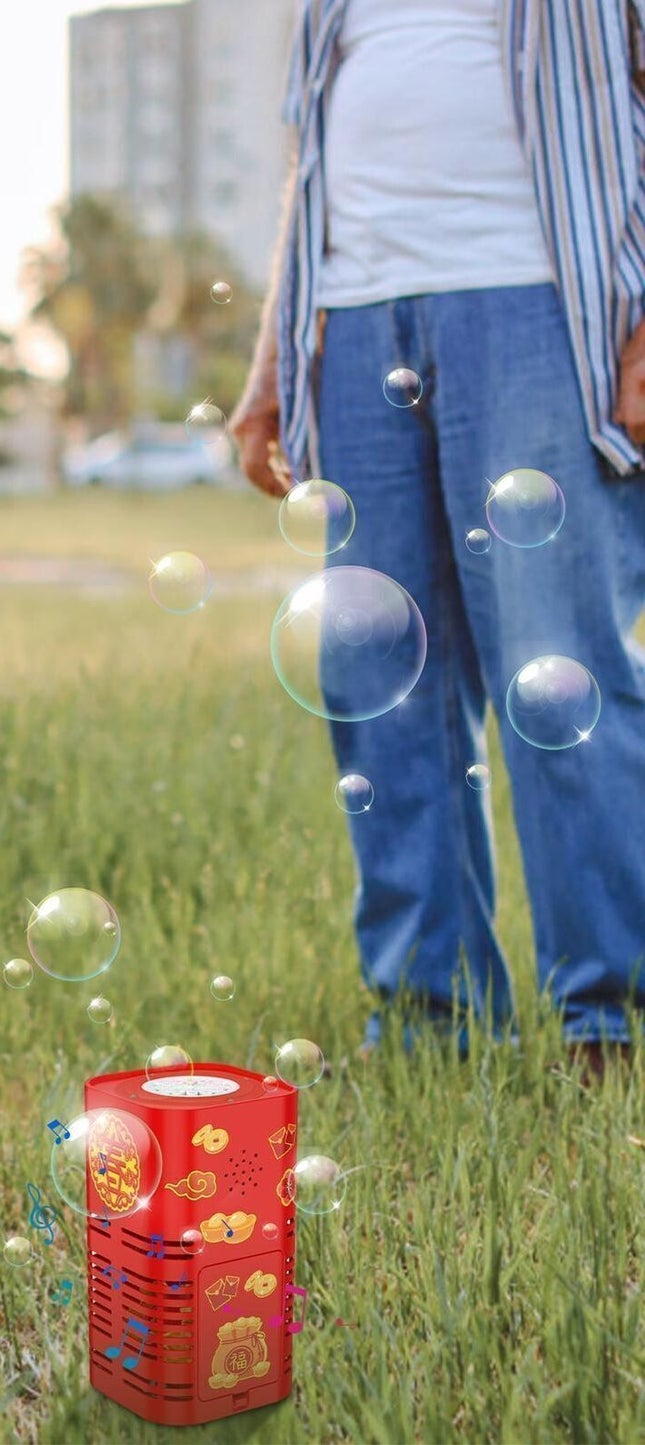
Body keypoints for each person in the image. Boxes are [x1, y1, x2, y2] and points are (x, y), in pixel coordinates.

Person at [231, 0, 645, 1081]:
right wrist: (271, 362)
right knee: (379, 678)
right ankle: (431, 1017)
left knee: (558, 672)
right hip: (357, 322)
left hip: (544, 306)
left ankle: (605, 1014)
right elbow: (309, 161)